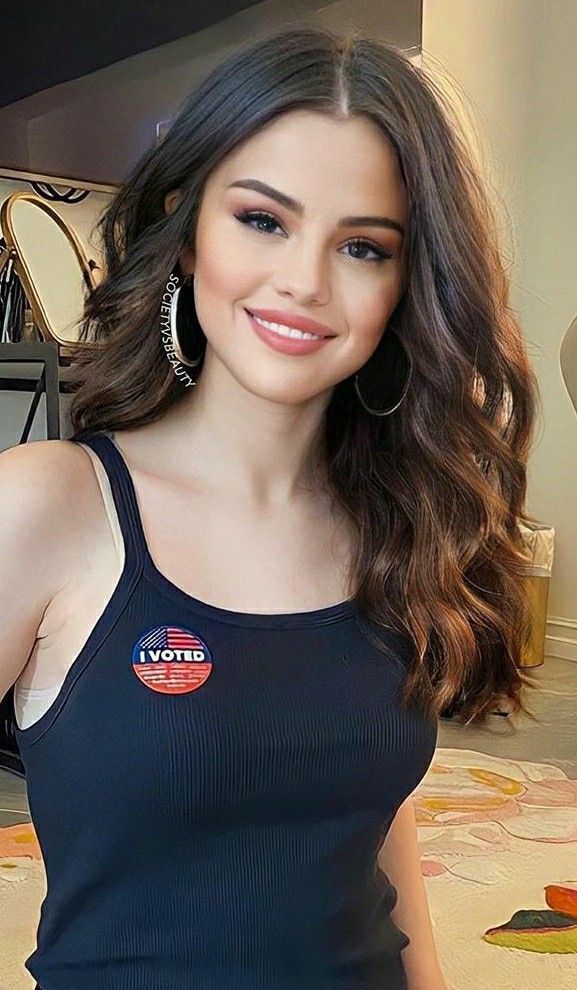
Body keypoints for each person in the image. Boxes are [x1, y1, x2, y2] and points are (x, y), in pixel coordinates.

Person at [0, 25, 542, 990]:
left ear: (404, 286)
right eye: (262, 220)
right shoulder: (50, 506)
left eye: (363, 247)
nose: (303, 281)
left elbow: (372, 825)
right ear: (186, 226)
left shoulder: (399, 524)